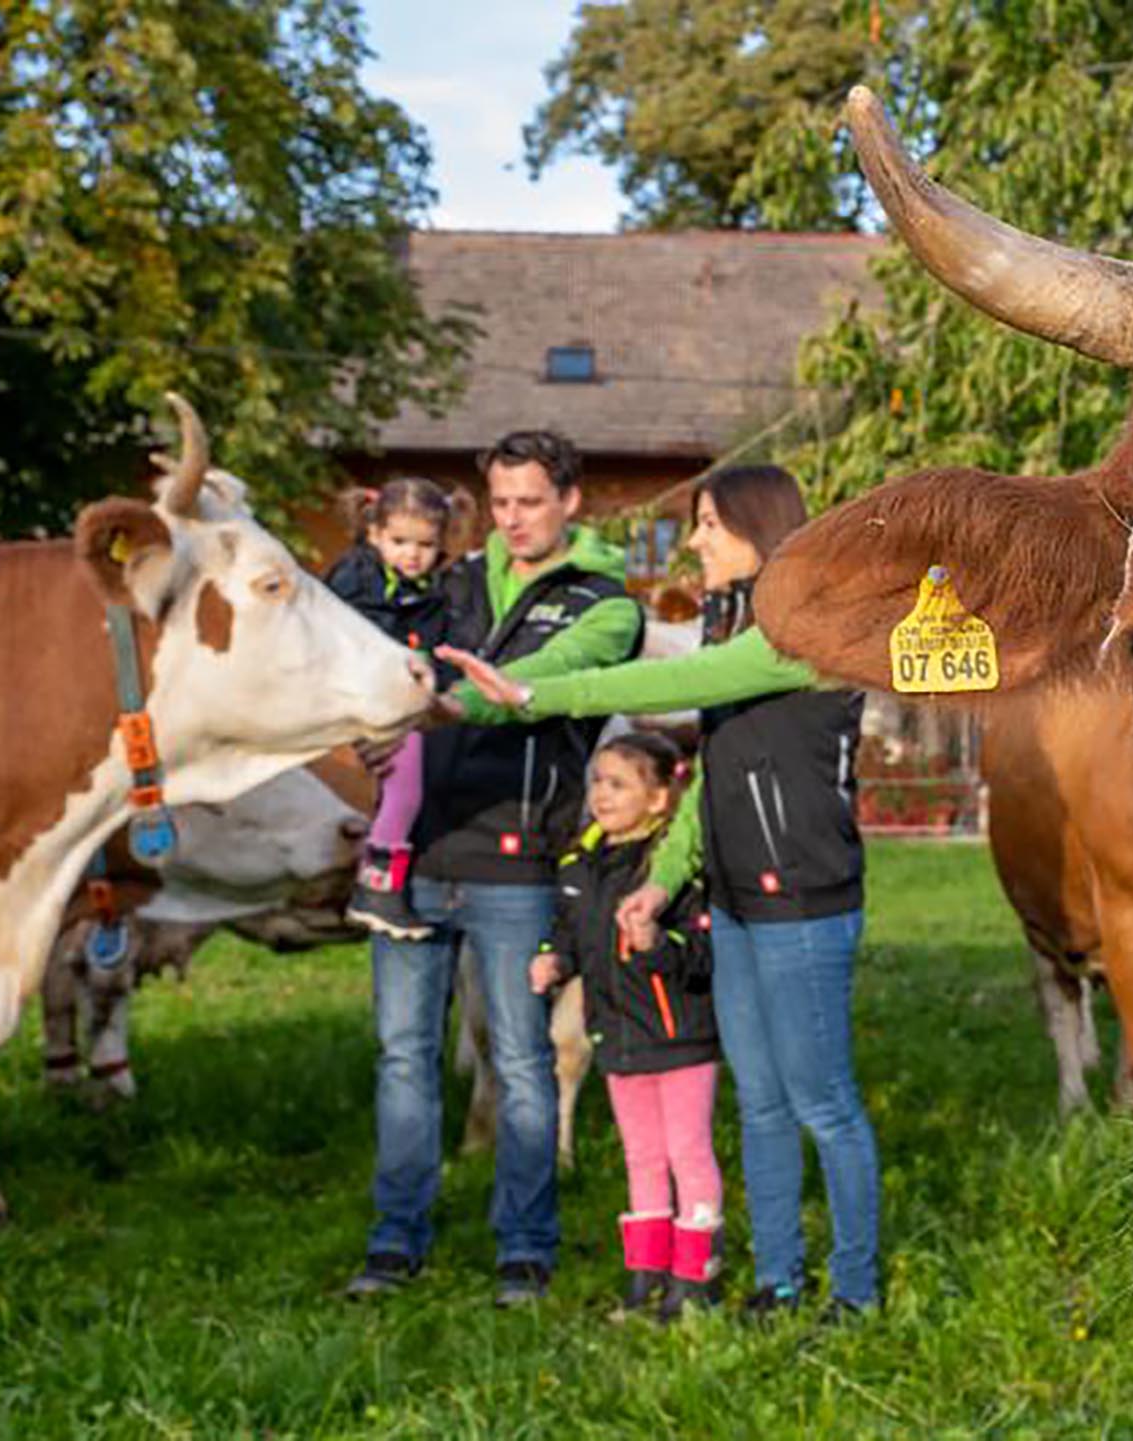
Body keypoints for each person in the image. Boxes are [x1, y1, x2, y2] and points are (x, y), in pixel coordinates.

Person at [442, 465, 882, 1321]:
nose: (693, 542)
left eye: (709, 523)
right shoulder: (735, 619)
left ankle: (855, 1291)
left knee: (822, 1102)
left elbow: (670, 686)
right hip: (739, 904)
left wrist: (536, 693)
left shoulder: (806, 630)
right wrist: (659, 882)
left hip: (803, 901)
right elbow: (713, 778)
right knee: (758, 1103)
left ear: (757, 527)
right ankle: (780, 1279)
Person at [346, 430, 645, 1309]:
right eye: (502, 502)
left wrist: (443, 705)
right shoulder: (448, 583)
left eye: (531, 502)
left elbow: (542, 680)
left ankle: (525, 1247)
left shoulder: (605, 605)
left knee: (520, 1059)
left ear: (571, 502)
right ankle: (396, 1239)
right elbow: (373, 638)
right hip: (418, 851)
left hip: (517, 863)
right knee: (404, 1054)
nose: (513, 519)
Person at [528, 731, 722, 1321]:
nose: (601, 795)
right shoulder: (577, 863)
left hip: (678, 1036)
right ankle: (647, 1277)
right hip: (614, 1036)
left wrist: (659, 944)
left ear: (662, 797)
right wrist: (553, 960)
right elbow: (567, 931)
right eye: (596, 782)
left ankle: (696, 1279)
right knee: (640, 1156)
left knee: (687, 1152)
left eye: (619, 784)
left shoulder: (675, 868)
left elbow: (703, 955)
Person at [324, 480, 474, 939]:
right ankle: (378, 884)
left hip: (402, 701)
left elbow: (436, 643)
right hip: (363, 699)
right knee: (405, 785)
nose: (413, 554)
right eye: (400, 542)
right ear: (374, 535)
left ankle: (381, 880)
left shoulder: (434, 587)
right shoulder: (356, 579)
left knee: (408, 785)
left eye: (426, 544)